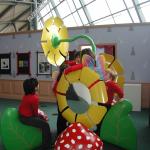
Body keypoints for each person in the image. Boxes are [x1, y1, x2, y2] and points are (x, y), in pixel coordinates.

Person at [18, 78, 51, 150]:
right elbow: (35, 114)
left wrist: (40, 116)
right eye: (37, 84)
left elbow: (33, 110)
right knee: (46, 125)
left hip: (22, 115)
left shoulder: (26, 95)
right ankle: (46, 146)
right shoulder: (34, 98)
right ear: (35, 88)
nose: (38, 85)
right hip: (26, 118)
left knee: (42, 119)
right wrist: (42, 118)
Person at [95, 68, 124, 135]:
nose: (103, 75)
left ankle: (99, 133)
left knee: (102, 120)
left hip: (106, 105)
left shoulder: (111, 84)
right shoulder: (103, 82)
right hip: (100, 103)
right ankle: (98, 131)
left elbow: (121, 92)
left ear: (110, 77)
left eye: (106, 74)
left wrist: (119, 98)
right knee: (98, 118)